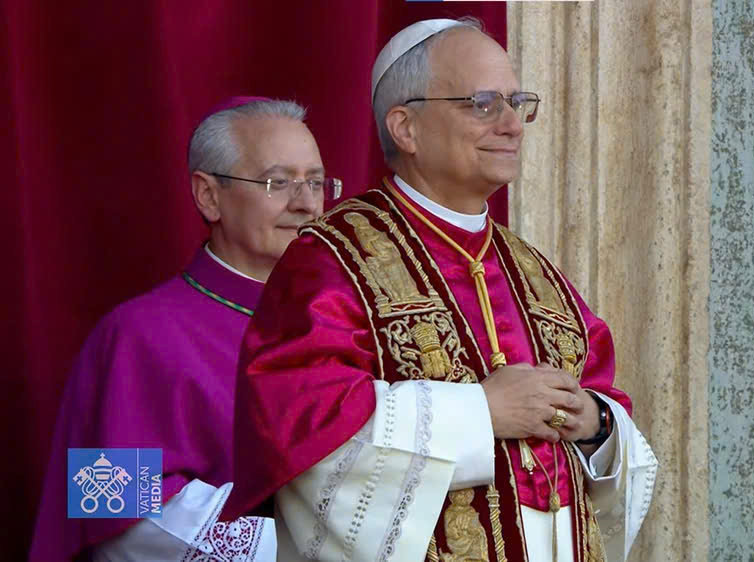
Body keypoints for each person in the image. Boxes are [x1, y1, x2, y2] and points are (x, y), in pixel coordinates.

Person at [225, 19, 658, 562]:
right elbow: (304, 432)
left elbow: (607, 410)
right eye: (483, 104)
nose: (512, 125)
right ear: (406, 128)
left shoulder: (537, 272)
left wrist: (595, 423)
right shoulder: (332, 261)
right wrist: (480, 413)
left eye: (517, 103)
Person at [30, 96, 339, 561]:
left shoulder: (342, 320)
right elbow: (116, 506)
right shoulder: (137, 335)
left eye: (315, 183)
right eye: (278, 182)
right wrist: (307, 546)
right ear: (208, 196)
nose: (307, 204)